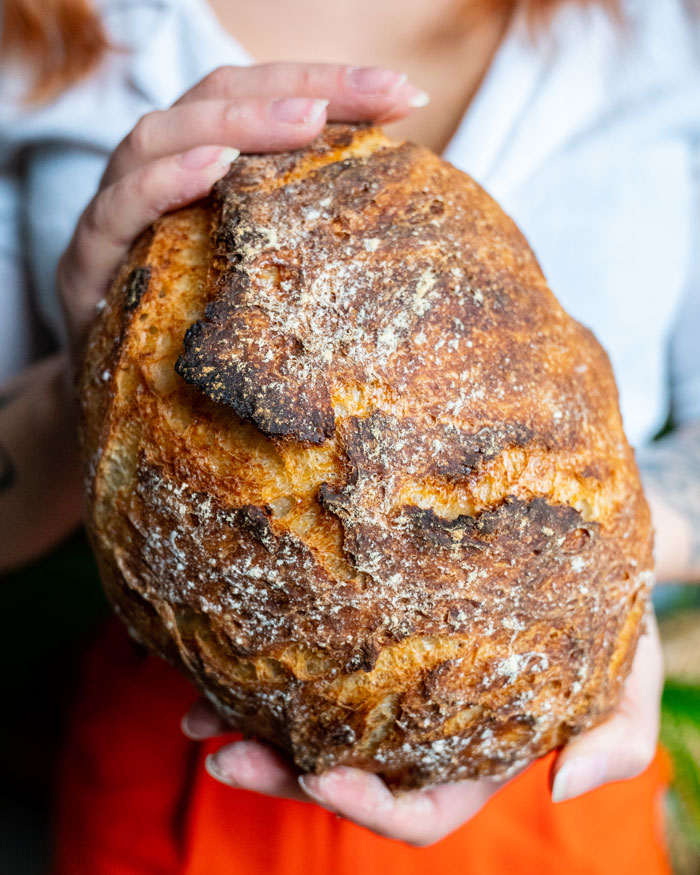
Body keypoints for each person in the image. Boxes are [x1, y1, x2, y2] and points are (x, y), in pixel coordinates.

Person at [0, 0, 698, 871]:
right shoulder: (47, 37)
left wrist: (598, 562)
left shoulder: (661, 33)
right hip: (170, 798)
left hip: (553, 783)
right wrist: (88, 375)